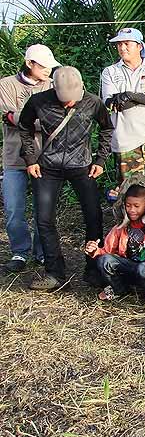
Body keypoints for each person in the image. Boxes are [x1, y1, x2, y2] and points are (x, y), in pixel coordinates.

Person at [18, 66, 113, 291]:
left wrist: (100, 161)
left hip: (82, 166)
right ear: (54, 89)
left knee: (93, 216)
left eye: (73, 99)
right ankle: (54, 273)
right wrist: (30, 159)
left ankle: (94, 268)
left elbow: (107, 129)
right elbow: (24, 127)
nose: (70, 103)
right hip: (48, 167)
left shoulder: (92, 102)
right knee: (44, 219)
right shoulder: (38, 101)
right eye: (65, 100)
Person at [0, 44, 57, 273]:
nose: (47, 70)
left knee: (43, 209)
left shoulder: (53, 85)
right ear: (29, 63)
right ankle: (19, 251)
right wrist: (39, 122)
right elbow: (10, 116)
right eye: (43, 66)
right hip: (15, 158)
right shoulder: (6, 85)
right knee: (14, 208)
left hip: (45, 158)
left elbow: (54, 117)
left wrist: (25, 120)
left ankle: (41, 252)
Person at [100, 28, 145, 185]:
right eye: (119, 44)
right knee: (130, 192)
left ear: (139, 46)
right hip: (126, 142)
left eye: (127, 43)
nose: (122, 48)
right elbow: (112, 104)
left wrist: (130, 95)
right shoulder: (110, 72)